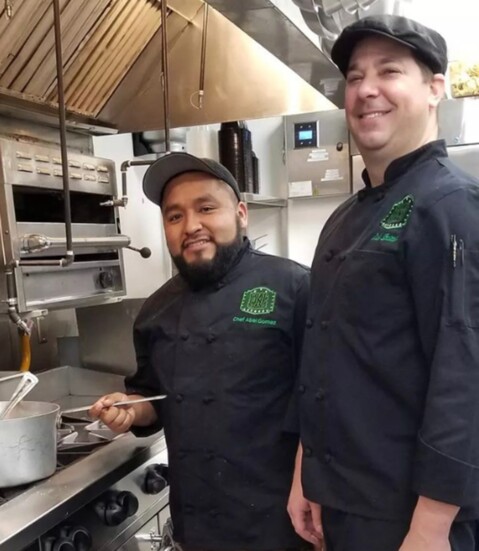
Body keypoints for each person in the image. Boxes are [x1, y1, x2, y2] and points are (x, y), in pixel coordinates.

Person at [287, 14, 479, 551]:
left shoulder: (450, 205)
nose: (367, 90)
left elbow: (464, 374)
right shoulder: (346, 216)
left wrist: (432, 526)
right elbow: (325, 358)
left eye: (389, 71)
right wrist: (308, 472)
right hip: (346, 505)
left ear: (435, 88)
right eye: (354, 77)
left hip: (413, 516)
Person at [89, 152, 310, 551]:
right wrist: (129, 407)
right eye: (174, 217)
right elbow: (151, 397)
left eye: (206, 208)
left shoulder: (294, 288)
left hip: (282, 526)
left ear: (241, 213)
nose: (191, 226)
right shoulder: (155, 310)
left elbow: (325, 406)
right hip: (195, 527)